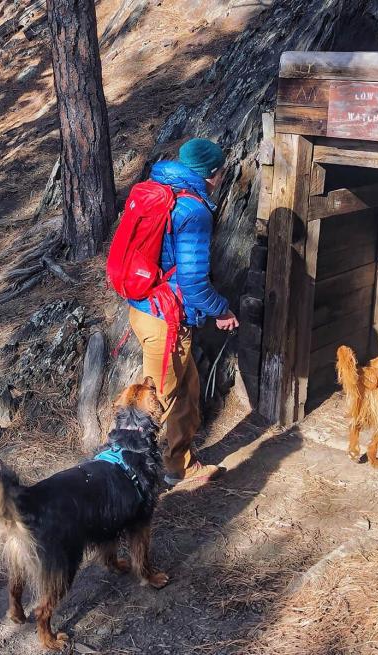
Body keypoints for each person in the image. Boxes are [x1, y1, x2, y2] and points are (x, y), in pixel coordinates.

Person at [127, 137, 238, 485]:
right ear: (212, 174)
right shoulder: (193, 211)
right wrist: (222, 310)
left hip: (148, 308)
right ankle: (132, 472)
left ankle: (180, 465)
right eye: (220, 173)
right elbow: (192, 282)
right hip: (164, 319)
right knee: (159, 399)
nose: (221, 178)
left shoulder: (161, 188)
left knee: (186, 389)